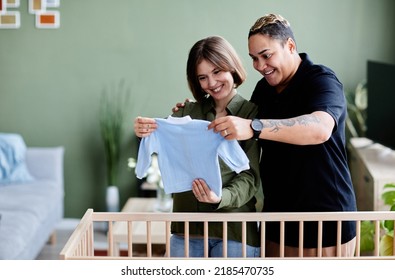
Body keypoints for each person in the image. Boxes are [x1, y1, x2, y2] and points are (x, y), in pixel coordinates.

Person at [175, 14, 357, 257]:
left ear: (290, 46)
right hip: (276, 220)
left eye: (266, 55)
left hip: (324, 220)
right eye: (254, 58)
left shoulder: (322, 81)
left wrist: (254, 127)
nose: (260, 66)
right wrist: (191, 110)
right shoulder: (264, 90)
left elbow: (320, 129)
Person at [134, 36, 261, 257]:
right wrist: (145, 130)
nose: (211, 83)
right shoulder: (185, 112)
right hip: (187, 229)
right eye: (202, 77)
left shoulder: (251, 115)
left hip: (234, 228)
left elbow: (250, 177)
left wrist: (220, 197)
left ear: (232, 67)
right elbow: (161, 134)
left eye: (217, 72)